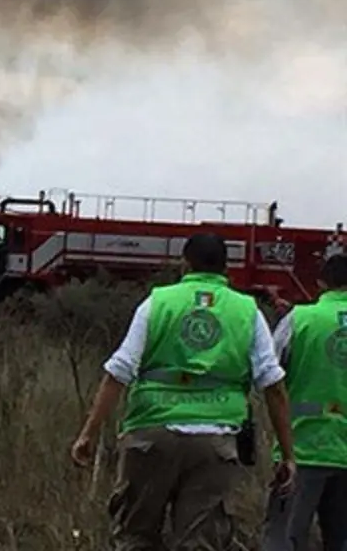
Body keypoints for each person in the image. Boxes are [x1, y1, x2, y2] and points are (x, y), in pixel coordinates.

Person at [70, 232, 296, 551]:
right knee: (200, 543)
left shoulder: (156, 303)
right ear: (225, 268)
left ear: (184, 264)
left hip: (152, 434)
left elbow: (118, 372)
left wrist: (88, 434)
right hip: (215, 441)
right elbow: (273, 386)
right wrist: (287, 454)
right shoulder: (248, 312)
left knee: (135, 538)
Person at [261, 252, 347, 551]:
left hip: (302, 448)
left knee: (283, 538)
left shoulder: (299, 319)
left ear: (321, 282)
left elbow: (270, 374)